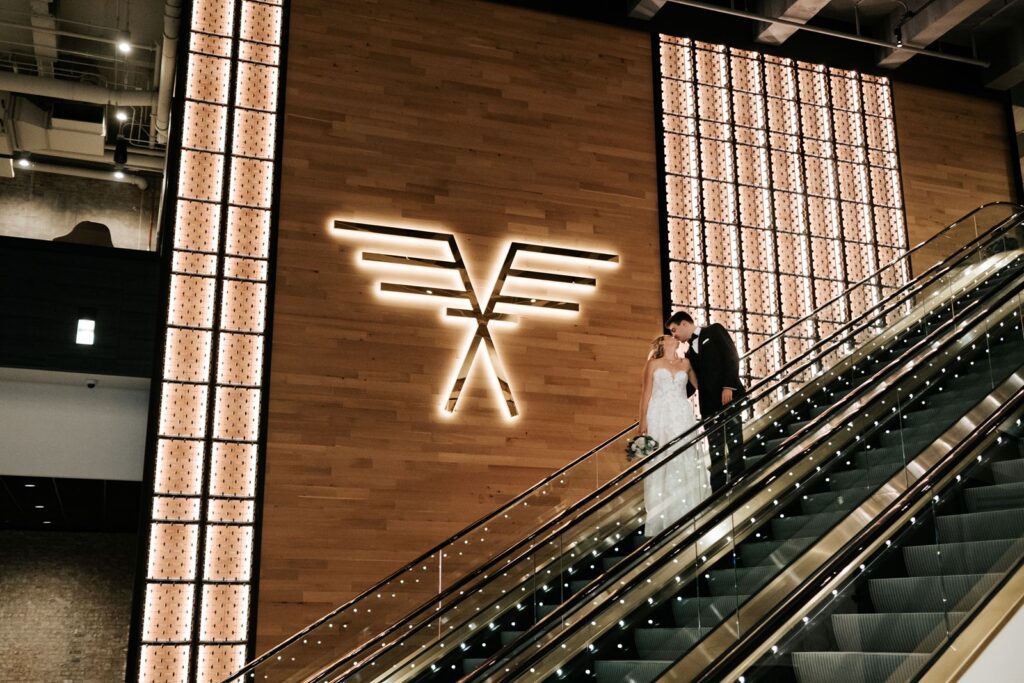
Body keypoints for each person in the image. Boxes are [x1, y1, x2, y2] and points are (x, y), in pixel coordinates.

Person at [637, 334, 711, 537]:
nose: (673, 337)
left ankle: (687, 507)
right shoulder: (653, 364)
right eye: (668, 336)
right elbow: (646, 393)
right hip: (659, 412)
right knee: (663, 454)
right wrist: (642, 421)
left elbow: (699, 386)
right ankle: (663, 512)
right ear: (662, 343)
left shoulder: (686, 362)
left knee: (683, 454)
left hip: (681, 411)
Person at [666, 311, 747, 492]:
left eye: (674, 330)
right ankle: (717, 488)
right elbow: (693, 385)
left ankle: (739, 481)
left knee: (734, 441)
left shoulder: (714, 331)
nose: (674, 335)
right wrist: (672, 394)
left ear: (685, 324)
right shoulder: (688, 353)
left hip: (729, 397)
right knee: (714, 447)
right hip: (708, 405)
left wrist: (729, 386)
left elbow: (731, 357)